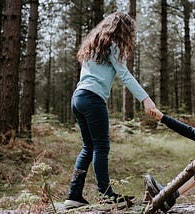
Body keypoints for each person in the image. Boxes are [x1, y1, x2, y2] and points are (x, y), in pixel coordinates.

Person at [64, 11, 156, 208]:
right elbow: (125, 75)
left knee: (88, 147)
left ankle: (74, 195)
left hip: (78, 98)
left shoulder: (93, 45)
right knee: (101, 147)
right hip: (92, 99)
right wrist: (146, 99)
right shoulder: (113, 45)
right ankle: (106, 196)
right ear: (122, 30)